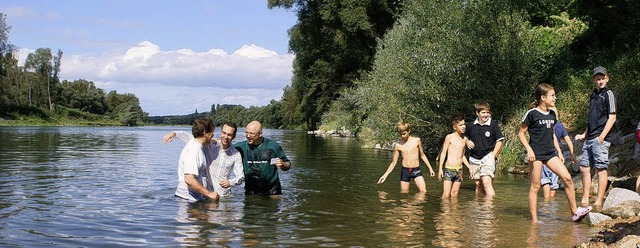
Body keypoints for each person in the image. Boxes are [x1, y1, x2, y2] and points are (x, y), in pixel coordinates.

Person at [518, 83, 590, 223]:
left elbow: (552, 135)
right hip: (536, 154)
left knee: (568, 178)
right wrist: (529, 149)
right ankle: (534, 220)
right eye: (552, 95)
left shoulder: (552, 115)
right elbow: (521, 133)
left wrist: (559, 152)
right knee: (536, 186)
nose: (555, 98)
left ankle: (574, 212)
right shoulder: (531, 114)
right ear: (543, 97)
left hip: (550, 153)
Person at [164, 121, 244, 199]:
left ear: (234, 136)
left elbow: (241, 177)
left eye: (229, 135)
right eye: (224, 133)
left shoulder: (235, 154)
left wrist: (231, 182)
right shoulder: (209, 144)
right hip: (206, 194)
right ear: (221, 132)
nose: (225, 136)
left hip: (223, 196)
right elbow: (195, 138)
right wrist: (174, 133)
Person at [575, 66, 617, 208]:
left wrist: (601, 137)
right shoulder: (593, 95)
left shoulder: (608, 94)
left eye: (602, 78)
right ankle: (585, 197)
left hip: (600, 139)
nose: (600, 81)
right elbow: (592, 118)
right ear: (594, 80)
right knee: (584, 168)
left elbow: (612, 117)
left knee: (600, 168)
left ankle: (599, 200)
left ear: (607, 78)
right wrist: (584, 134)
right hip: (590, 138)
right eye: (597, 79)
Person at [234, 120, 291, 196]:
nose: (248, 135)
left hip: (273, 189)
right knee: (250, 206)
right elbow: (226, 148)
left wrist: (283, 164)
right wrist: (215, 141)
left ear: (260, 134)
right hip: (251, 190)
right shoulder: (240, 147)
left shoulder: (273, 146)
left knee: (274, 205)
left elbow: (288, 165)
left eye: (252, 133)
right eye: (246, 132)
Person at [377, 121, 436, 193]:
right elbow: (393, 163)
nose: (402, 136)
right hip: (405, 171)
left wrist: (430, 168)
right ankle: (408, 204)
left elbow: (422, 155)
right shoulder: (398, 145)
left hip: (416, 170)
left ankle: (413, 202)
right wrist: (385, 175)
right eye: (400, 134)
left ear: (409, 131)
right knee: (404, 195)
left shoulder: (417, 141)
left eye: (404, 134)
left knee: (423, 192)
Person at [173, 118, 220, 202]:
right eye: (212, 132)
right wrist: (209, 194)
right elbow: (189, 179)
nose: (213, 135)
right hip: (187, 199)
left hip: (193, 198)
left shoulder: (197, 145)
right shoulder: (194, 150)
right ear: (205, 133)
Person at [465, 102, 504, 197]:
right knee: (478, 184)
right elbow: (464, 136)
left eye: (487, 112)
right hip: (474, 158)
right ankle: (479, 207)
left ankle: (489, 209)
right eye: (483, 112)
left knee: (486, 182)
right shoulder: (471, 125)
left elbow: (499, 141)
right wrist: (467, 141)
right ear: (477, 113)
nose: (486, 115)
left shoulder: (493, 125)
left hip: (487, 157)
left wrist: (492, 156)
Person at [540, 107, 577, 199]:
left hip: (545, 155)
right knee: (554, 182)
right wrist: (572, 154)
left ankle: (546, 202)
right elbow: (568, 140)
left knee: (545, 180)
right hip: (556, 157)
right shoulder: (560, 126)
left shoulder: (544, 124)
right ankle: (551, 203)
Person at [438, 116, 472, 198]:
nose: (463, 126)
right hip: (449, 169)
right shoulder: (449, 137)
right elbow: (443, 153)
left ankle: (454, 211)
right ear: (454, 127)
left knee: (455, 194)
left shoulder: (464, 139)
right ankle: (445, 211)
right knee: (446, 195)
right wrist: (440, 169)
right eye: (460, 125)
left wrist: (469, 167)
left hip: (459, 170)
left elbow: (462, 156)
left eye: (464, 124)